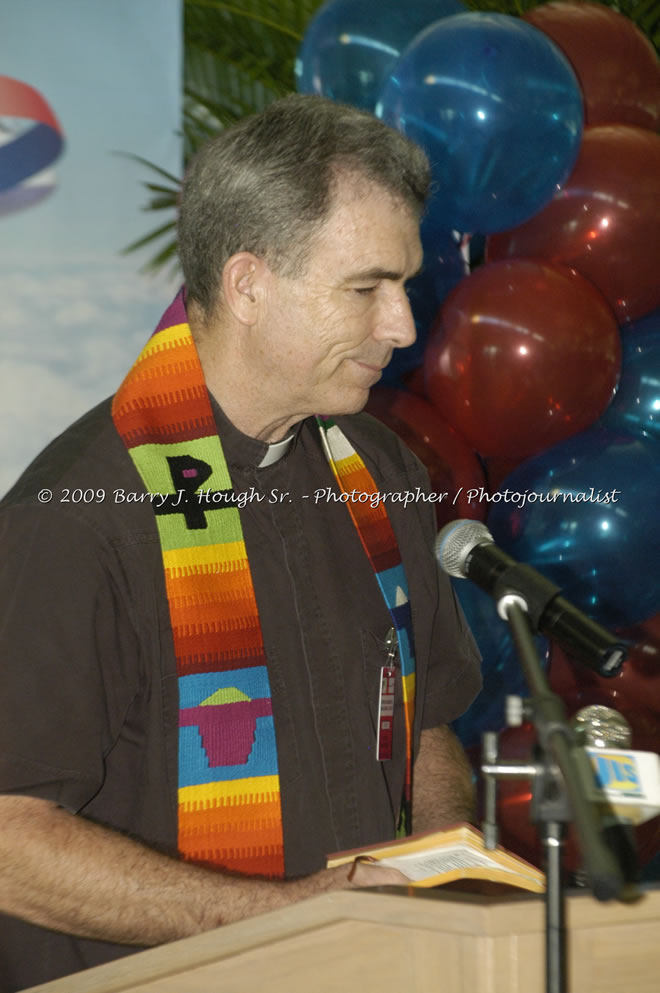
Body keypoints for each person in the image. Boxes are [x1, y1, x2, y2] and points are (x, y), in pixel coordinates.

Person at [0, 94, 481, 991]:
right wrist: (292, 912)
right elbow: (9, 845)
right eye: (366, 288)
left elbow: (428, 723)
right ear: (249, 284)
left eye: (405, 285)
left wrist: (437, 863)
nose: (403, 325)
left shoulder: (379, 467)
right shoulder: (77, 518)